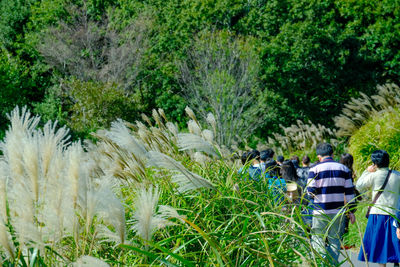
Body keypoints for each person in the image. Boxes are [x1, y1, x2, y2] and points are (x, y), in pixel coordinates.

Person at [306, 143, 356, 265]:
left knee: (318, 238)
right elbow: (350, 192)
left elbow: (310, 192)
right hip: (338, 212)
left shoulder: (314, 169)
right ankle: (332, 264)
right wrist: (351, 211)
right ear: (332, 154)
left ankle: (322, 263)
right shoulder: (344, 169)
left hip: (320, 210)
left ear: (319, 156)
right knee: (335, 240)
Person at [356, 150, 400, 266]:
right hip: (394, 213)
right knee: (394, 243)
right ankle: (396, 263)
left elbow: (359, 186)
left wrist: (366, 171)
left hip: (377, 213)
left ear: (375, 163)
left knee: (380, 245)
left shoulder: (373, 176)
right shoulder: (397, 175)